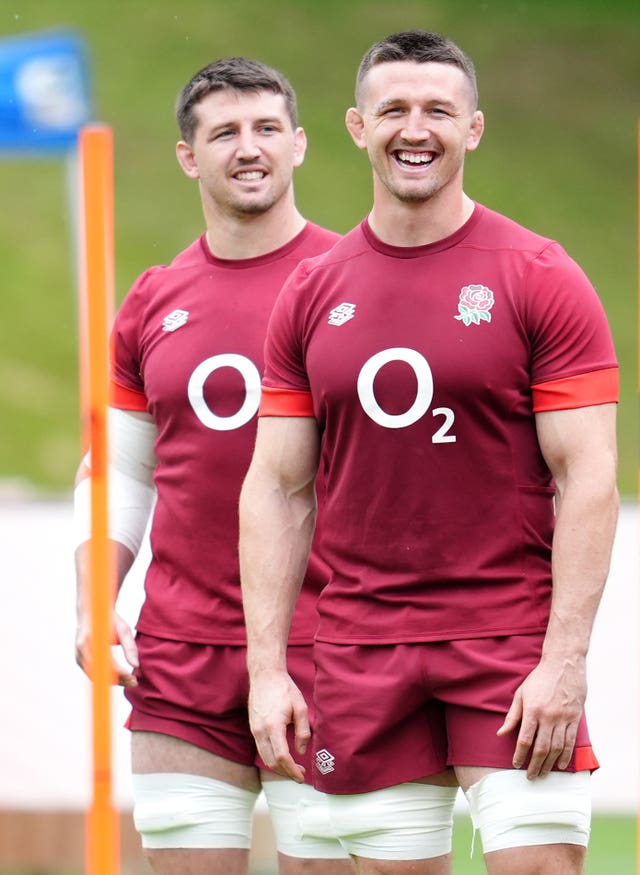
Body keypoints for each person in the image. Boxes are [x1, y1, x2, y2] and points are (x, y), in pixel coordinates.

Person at [239, 30, 619, 875]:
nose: (417, 128)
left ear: (473, 128)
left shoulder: (540, 275)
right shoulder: (311, 291)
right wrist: (267, 669)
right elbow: (275, 486)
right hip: (364, 649)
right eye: (395, 110)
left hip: (509, 642)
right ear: (357, 126)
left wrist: (564, 660)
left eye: (438, 110)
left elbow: (588, 475)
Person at [73, 56, 352, 875]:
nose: (249, 147)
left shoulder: (356, 281)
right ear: (189, 157)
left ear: (299, 144)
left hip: (329, 647)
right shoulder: (155, 298)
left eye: (267, 128)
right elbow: (121, 469)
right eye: (224, 132)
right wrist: (95, 600)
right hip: (183, 655)